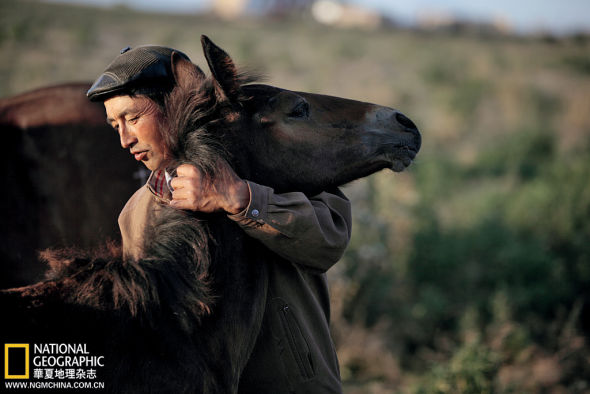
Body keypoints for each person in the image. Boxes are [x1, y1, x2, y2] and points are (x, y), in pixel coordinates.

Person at [87, 45, 351, 393]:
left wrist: (242, 198)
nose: (124, 139)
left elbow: (327, 243)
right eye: (115, 124)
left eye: (133, 118)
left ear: (178, 104)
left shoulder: (276, 165)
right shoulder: (136, 212)